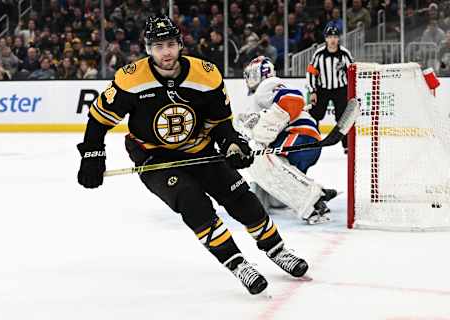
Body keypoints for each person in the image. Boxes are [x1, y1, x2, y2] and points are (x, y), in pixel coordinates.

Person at [76, 14, 309, 295]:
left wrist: (232, 145)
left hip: (199, 149)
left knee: (241, 198)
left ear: (180, 45)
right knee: (192, 201)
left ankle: (277, 249)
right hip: (154, 158)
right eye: (159, 47)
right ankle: (237, 263)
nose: (166, 53)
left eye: (171, 45)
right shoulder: (131, 80)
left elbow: (222, 123)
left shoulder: (206, 75)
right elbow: (98, 119)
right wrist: (92, 155)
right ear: (149, 49)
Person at [237, 56, 337, 225]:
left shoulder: (267, 85)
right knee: (279, 198)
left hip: (299, 138)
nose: (249, 79)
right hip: (303, 143)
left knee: (257, 155)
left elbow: (293, 99)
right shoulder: (261, 95)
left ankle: (312, 202)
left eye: (252, 74)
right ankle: (317, 193)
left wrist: (264, 127)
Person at [306, 26, 353, 153]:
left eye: (335, 37)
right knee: (315, 114)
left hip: (340, 89)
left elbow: (352, 72)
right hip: (323, 89)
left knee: (343, 117)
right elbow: (311, 72)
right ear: (326, 39)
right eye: (330, 37)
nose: (332, 40)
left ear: (338, 39)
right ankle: (313, 140)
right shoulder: (319, 54)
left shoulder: (344, 54)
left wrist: (352, 91)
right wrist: (312, 91)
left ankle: (347, 145)